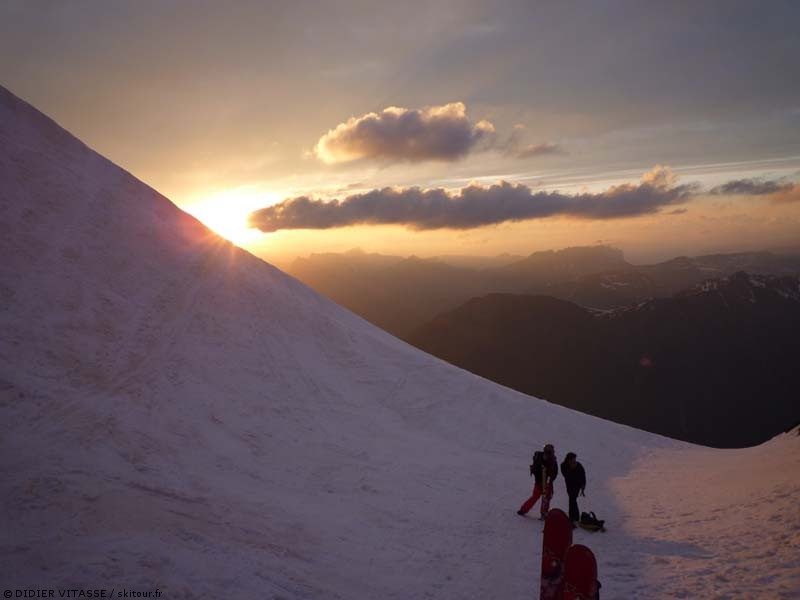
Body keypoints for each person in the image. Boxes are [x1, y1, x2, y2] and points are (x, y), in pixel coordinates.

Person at [517, 443, 558, 518]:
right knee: (536, 497)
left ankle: (544, 513)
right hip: (539, 482)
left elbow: (555, 473)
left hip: (548, 483)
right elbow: (536, 471)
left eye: (551, 452)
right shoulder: (539, 459)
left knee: (546, 498)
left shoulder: (553, 461)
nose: (549, 454)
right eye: (548, 452)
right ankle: (523, 510)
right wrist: (540, 482)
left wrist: (549, 481)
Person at [561, 451, 586, 526]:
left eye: (575, 460)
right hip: (569, 484)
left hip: (577, 485)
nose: (574, 461)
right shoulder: (563, 465)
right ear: (568, 460)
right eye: (573, 460)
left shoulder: (578, 465)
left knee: (572, 499)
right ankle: (575, 517)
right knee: (572, 499)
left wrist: (583, 487)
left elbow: (583, 476)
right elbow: (566, 475)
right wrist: (572, 469)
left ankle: (573, 518)